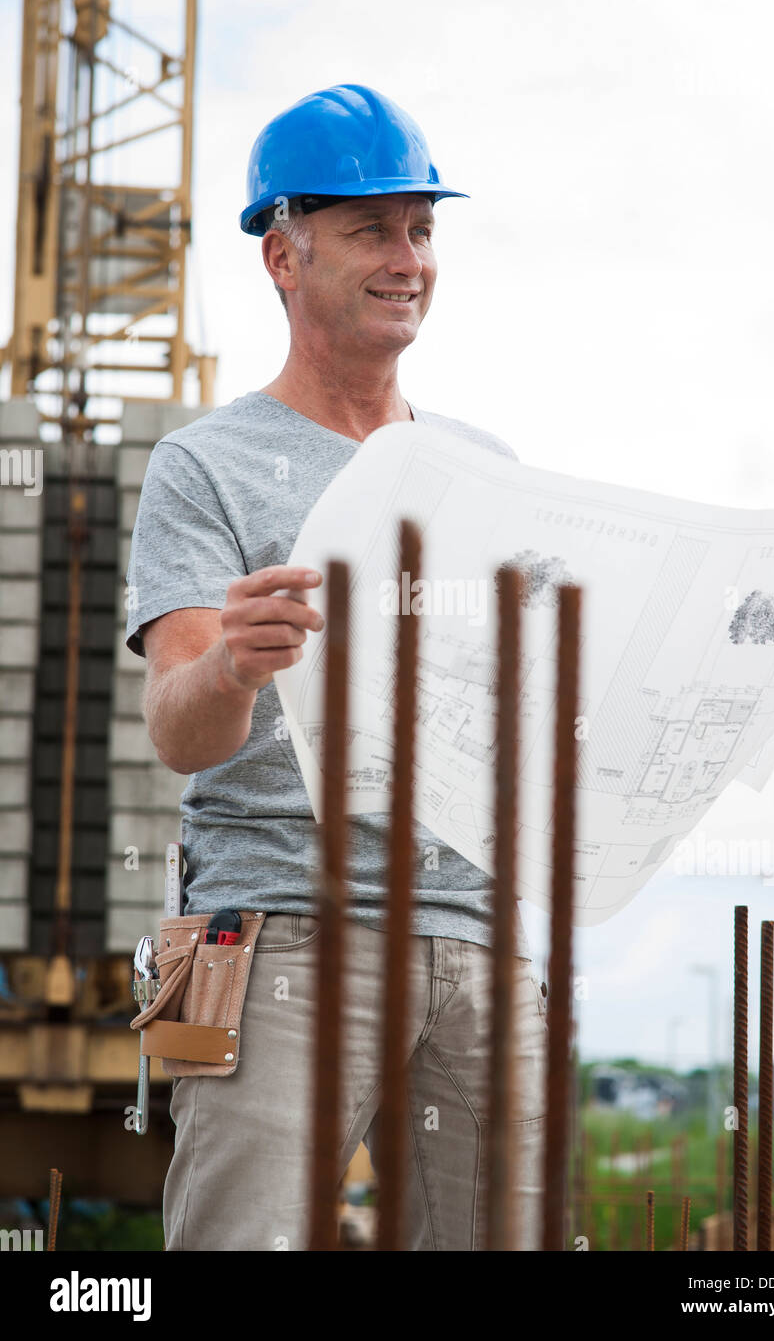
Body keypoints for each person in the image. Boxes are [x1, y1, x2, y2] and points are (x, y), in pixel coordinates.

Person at [125, 82, 548, 1251]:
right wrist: (234, 669)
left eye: (420, 230)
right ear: (282, 253)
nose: (406, 257)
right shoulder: (204, 466)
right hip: (282, 940)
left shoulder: (481, 466)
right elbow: (180, 729)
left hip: (476, 939)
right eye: (372, 229)